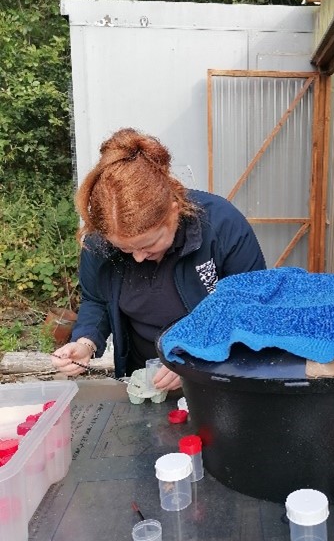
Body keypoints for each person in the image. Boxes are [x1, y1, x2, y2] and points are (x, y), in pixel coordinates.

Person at [51, 127, 266, 390]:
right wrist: (85, 342)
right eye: (127, 250)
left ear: (173, 213)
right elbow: (96, 299)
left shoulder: (221, 225)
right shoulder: (101, 240)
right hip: (143, 374)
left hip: (216, 373)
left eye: (149, 245)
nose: (139, 258)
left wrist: (194, 357)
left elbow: (250, 309)